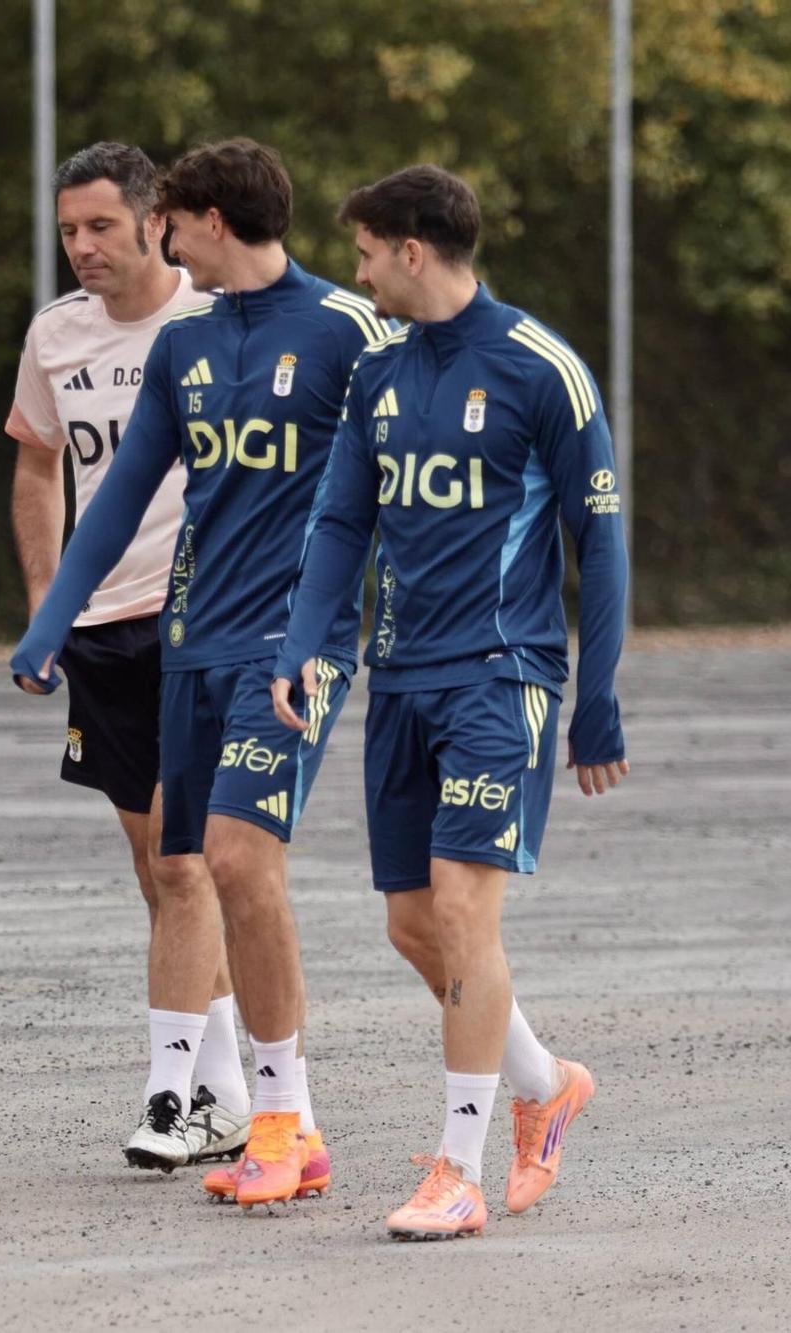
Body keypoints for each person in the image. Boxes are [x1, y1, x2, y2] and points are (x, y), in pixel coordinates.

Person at [12, 139, 390, 1209]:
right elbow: (124, 491)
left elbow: (397, 485)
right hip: (191, 645)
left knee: (234, 861)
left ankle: (276, 1119)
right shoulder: (185, 345)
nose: (158, 238)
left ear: (206, 223)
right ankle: (294, 1121)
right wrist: (50, 622)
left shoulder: (344, 333)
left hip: (292, 649)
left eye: (167, 221)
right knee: (191, 863)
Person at [270, 164, 627, 1240]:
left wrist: (594, 698)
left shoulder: (538, 368)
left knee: (465, 914)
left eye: (367, 250)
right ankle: (546, 1082)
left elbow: (596, 539)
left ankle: (455, 1170)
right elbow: (339, 524)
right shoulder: (377, 376)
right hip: (401, 677)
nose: (358, 268)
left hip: (501, 673)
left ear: (411, 250)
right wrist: (298, 646)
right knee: (412, 925)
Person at [6, 142, 249, 1172]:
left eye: (101, 225)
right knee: (160, 875)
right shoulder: (55, 334)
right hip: (100, 629)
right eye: (68, 229)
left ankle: (171, 1098)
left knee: (186, 863)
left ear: (156, 220)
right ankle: (233, 1093)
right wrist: (45, 606)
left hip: (200, 621)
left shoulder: (213, 322)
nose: (83, 246)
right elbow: (35, 467)